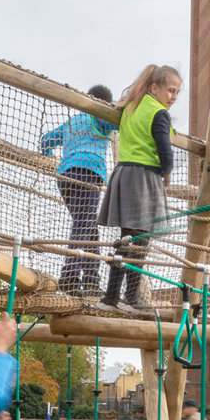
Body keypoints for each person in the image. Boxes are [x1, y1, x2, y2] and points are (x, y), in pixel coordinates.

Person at [99, 66, 181, 311]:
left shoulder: (132, 107)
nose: (173, 97)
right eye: (170, 90)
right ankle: (130, 297)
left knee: (128, 238)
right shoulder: (158, 113)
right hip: (144, 177)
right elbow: (165, 151)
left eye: (177, 92)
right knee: (139, 241)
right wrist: (166, 172)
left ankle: (111, 296)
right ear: (154, 88)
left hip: (124, 173)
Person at [39, 84, 119, 296]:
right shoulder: (99, 118)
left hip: (65, 177)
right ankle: (70, 276)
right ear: (103, 103)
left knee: (87, 226)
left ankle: (92, 280)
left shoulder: (72, 122)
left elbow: (47, 140)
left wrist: (47, 153)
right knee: (84, 225)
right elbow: (117, 123)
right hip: (89, 174)